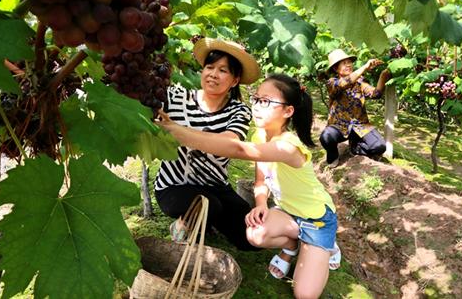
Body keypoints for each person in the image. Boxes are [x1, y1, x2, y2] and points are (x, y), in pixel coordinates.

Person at [157, 74, 339, 299]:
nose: (257, 106)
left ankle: (326, 245)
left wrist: (175, 130)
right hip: (288, 215)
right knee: (255, 235)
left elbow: (238, 149)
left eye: (266, 101)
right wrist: (261, 204)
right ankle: (292, 246)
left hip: (317, 221)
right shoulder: (261, 135)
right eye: (256, 99)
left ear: (288, 111)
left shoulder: (288, 147)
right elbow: (261, 181)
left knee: (304, 295)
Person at [154, 37, 261, 251]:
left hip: (215, 186)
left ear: (234, 80)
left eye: (223, 70)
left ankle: (207, 221)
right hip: (174, 185)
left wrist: (177, 130)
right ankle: (183, 226)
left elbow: (229, 142)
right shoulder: (176, 96)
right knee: (209, 205)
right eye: (209, 67)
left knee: (251, 239)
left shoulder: (238, 111)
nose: (213, 74)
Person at [320, 48, 392, 168]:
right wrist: (364, 67)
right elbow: (345, 83)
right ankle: (333, 156)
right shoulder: (332, 83)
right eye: (344, 63)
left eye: (349, 62)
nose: (348, 64)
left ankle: (355, 147)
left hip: (360, 125)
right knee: (326, 137)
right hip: (339, 126)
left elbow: (376, 94)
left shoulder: (360, 82)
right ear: (335, 68)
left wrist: (383, 76)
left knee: (379, 147)